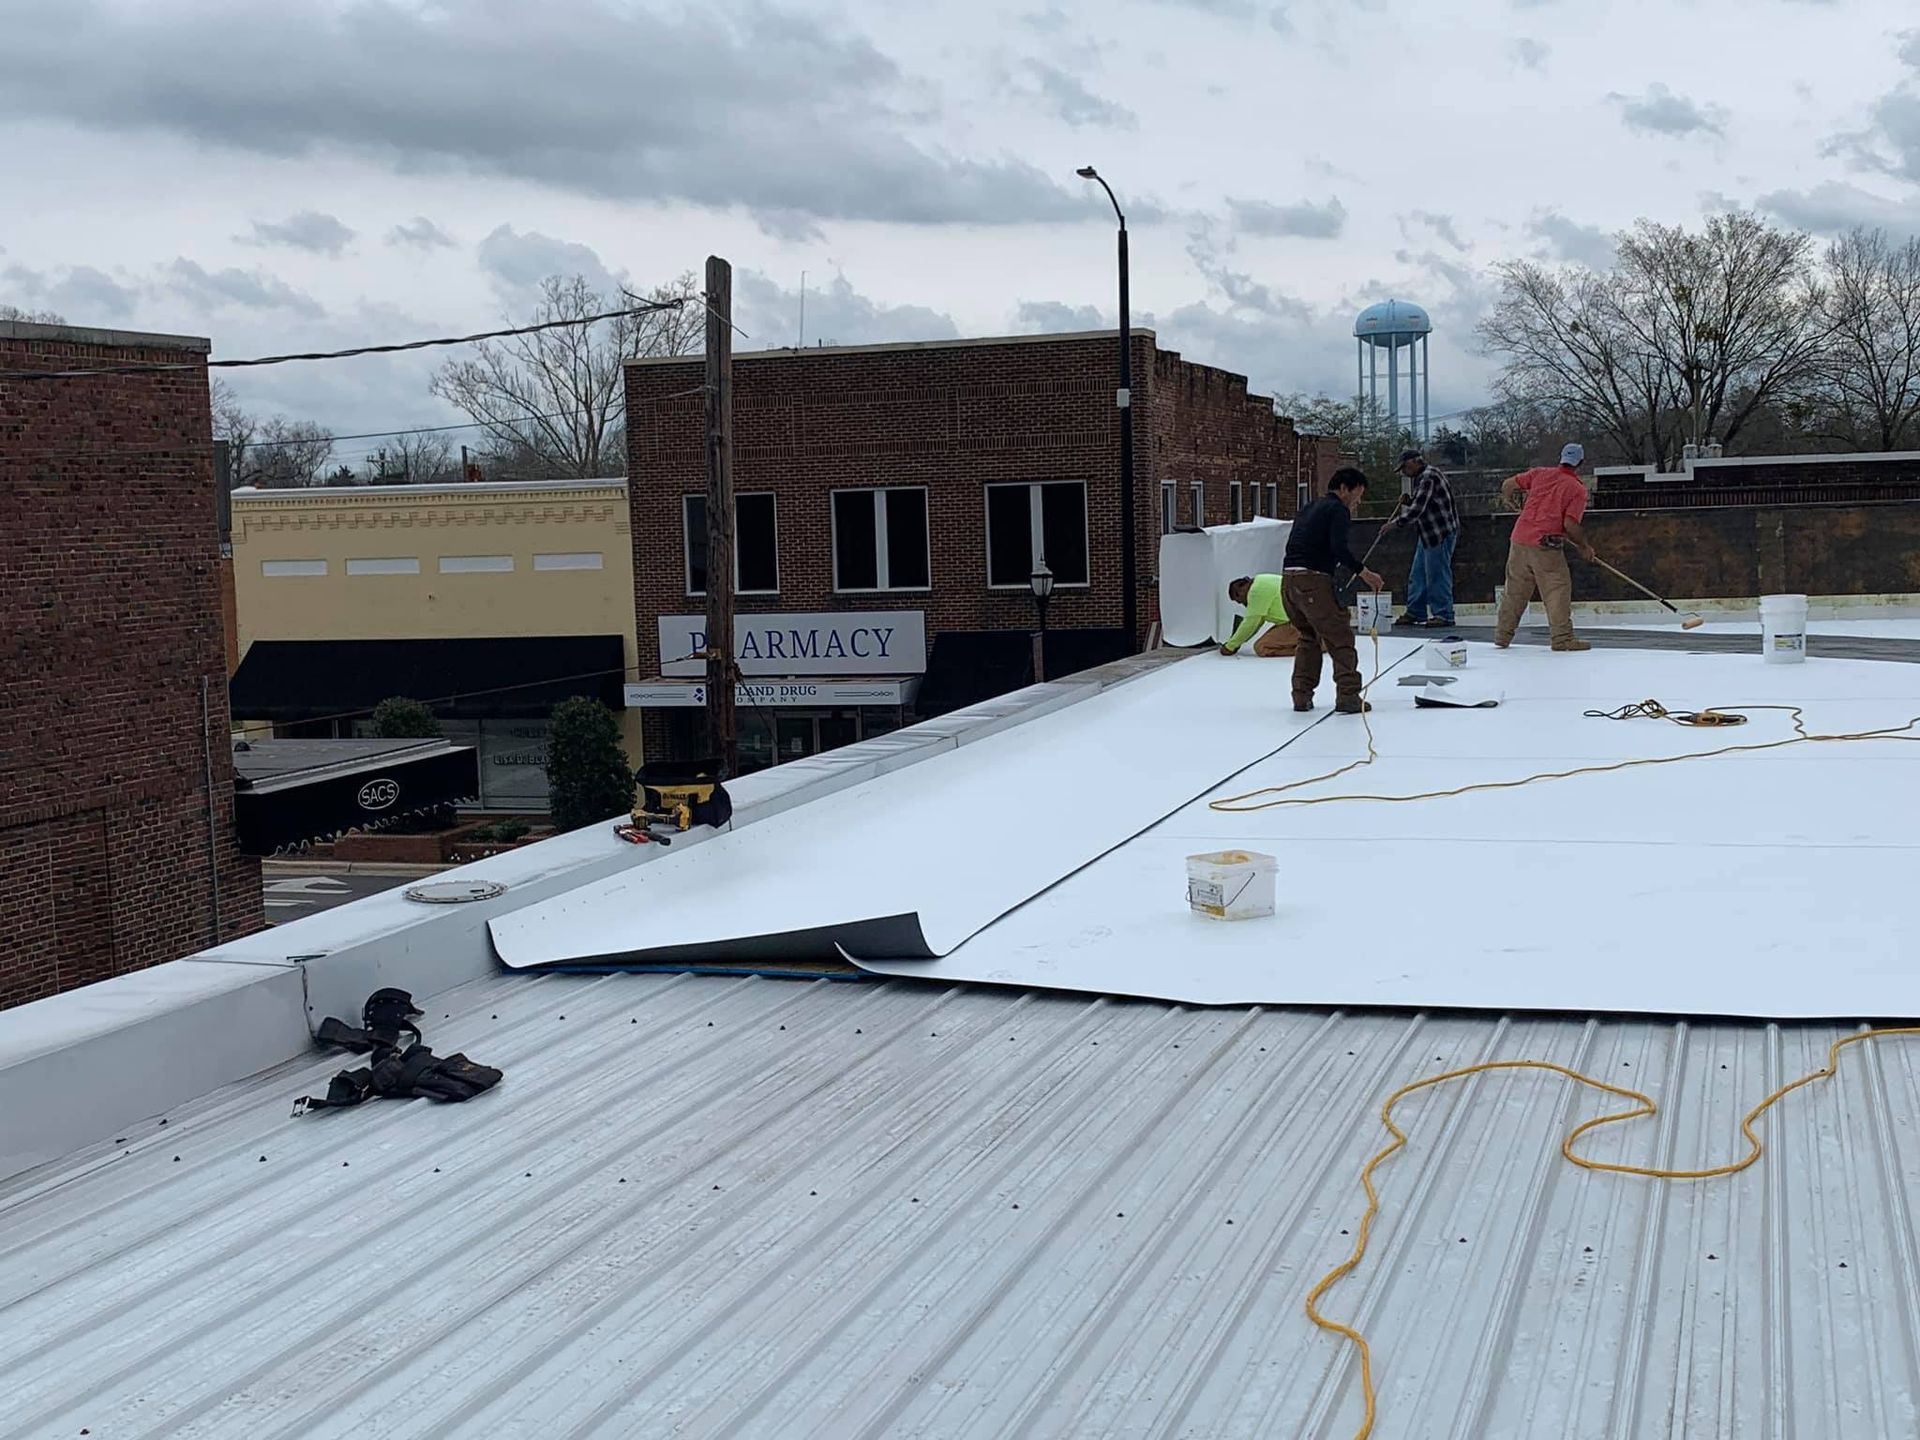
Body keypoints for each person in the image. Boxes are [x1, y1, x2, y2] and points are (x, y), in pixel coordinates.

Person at [1281, 467, 1384, 713]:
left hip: (1288, 580)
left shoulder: (1309, 507)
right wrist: (1364, 573)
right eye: (1357, 495)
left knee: (1308, 637)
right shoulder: (1338, 509)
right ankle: (1348, 695)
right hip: (1313, 580)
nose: (1357, 502)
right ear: (1344, 489)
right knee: (1340, 637)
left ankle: (1301, 695)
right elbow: (1339, 548)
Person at [1495, 442, 1597, 652]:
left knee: (1515, 591)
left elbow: (1508, 485)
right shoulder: (1577, 489)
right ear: (1581, 463)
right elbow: (1569, 524)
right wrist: (1584, 547)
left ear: (1561, 458)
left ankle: (1502, 635)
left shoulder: (1540, 474)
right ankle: (1562, 639)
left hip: (1519, 539)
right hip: (1545, 546)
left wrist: (1508, 501)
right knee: (1556, 590)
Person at [1389, 448, 1460, 628]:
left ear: (1415, 461)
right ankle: (1416, 611)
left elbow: (1417, 510)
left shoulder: (1428, 477)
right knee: (1418, 574)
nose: (1404, 472)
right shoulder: (1422, 478)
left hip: (1440, 534)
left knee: (1437, 574)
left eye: (1404, 467)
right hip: (1428, 534)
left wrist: (1394, 524)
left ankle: (1444, 614)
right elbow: (1423, 503)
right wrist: (1409, 500)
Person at [1220, 575, 1299, 657]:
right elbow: (1256, 623)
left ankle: (1306, 650)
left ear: (1239, 592)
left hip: (1299, 624)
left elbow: (1250, 624)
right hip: (1303, 617)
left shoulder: (1256, 592)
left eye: (1239, 601)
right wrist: (1236, 642)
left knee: (1262, 647)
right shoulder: (1262, 579)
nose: (1244, 604)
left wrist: (1230, 647)